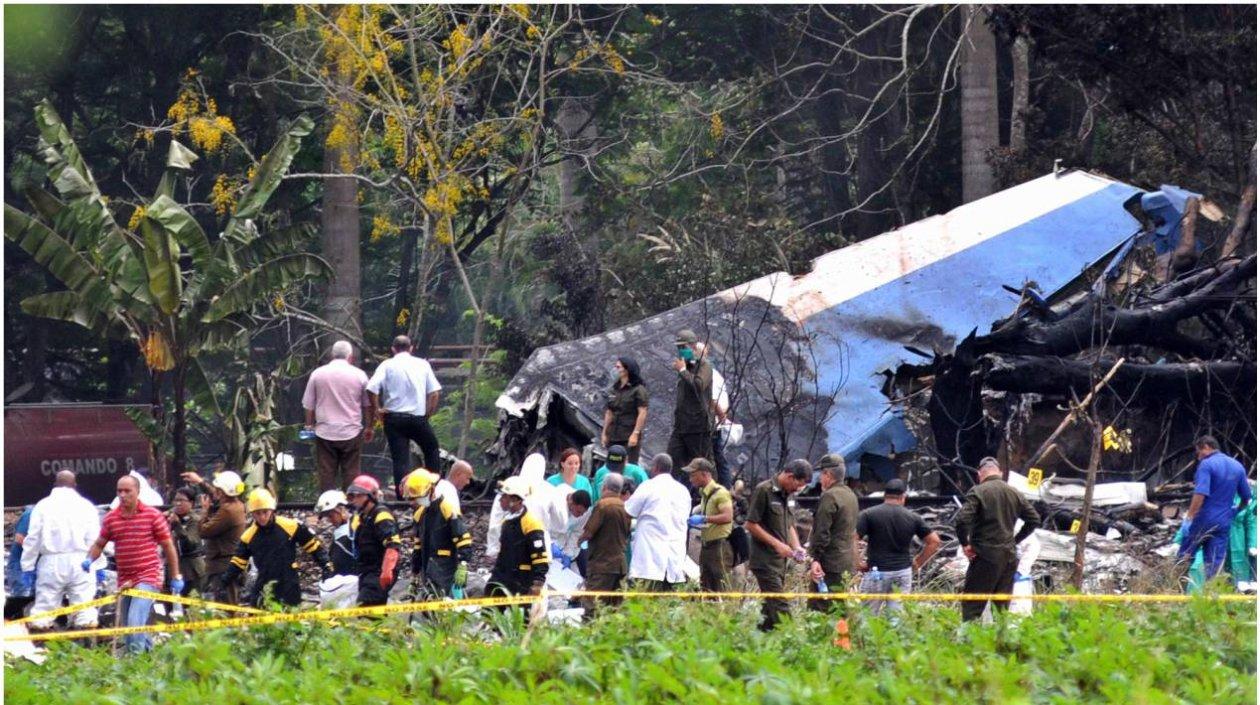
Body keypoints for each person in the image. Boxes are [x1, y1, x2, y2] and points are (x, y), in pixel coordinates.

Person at [83, 475, 182, 653]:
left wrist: (175, 576)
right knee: (129, 629)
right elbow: (99, 544)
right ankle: (149, 659)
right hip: (125, 579)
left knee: (135, 622)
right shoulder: (111, 518)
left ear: (137, 491)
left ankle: (136, 661)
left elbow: (168, 546)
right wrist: (89, 559)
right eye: (119, 491)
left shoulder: (152, 515)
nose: (122, 495)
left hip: (148, 576)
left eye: (127, 491)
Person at [954, 457, 1041, 622]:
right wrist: (1015, 540)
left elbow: (961, 520)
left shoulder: (978, 491)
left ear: (979, 474)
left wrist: (965, 544)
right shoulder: (1014, 492)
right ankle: (1001, 637)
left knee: (972, 607)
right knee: (1001, 610)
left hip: (984, 557)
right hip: (1008, 558)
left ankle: (968, 637)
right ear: (1000, 473)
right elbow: (1034, 519)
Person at [219, 489, 331, 607]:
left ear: (272, 510)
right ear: (252, 513)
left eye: (265, 512)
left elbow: (313, 546)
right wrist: (224, 581)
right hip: (265, 585)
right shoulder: (249, 536)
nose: (262, 517)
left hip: (289, 584)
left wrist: (326, 565)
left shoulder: (290, 526)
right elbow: (238, 562)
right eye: (257, 513)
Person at [20, 471, 102, 631]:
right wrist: (97, 564)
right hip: (81, 562)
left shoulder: (43, 506)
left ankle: (42, 642)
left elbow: (33, 538)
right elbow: (95, 539)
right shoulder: (86, 506)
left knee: (43, 611)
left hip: (50, 563)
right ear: (75, 485)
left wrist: (27, 566)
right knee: (85, 609)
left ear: (55, 484)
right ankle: (86, 642)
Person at [367, 335, 443, 495]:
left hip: (394, 419)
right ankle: (432, 489)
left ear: (393, 349)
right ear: (411, 348)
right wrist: (427, 414)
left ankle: (403, 495)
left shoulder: (387, 365)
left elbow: (372, 388)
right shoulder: (422, 364)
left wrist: (377, 410)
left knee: (400, 459)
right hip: (417, 418)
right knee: (431, 449)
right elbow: (435, 393)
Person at [855, 478, 942, 616]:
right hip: (902, 573)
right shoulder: (913, 517)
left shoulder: (868, 514)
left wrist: (858, 563)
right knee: (896, 619)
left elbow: (852, 538)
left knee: (867, 617)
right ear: (903, 497)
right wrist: (918, 563)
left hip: (877, 572)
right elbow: (934, 541)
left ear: (885, 495)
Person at [746, 459, 811, 631]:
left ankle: (759, 639)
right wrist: (777, 544)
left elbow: (789, 524)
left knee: (769, 610)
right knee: (780, 606)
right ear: (790, 476)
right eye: (798, 485)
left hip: (780, 563)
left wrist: (797, 546)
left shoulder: (788, 495)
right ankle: (792, 639)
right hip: (764, 561)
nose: (797, 490)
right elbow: (751, 524)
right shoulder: (764, 490)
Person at [302, 340, 373, 491]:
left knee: (326, 472)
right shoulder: (359, 375)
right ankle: (351, 501)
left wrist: (309, 426)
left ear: (332, 355)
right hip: (351, 431)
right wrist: (369, 427)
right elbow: (367, 405)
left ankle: (327, 502)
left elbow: (309, 405)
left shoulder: (318, 374)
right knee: (351, 472)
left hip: (324, 431)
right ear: (350, 357)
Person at [1179, 436, 1253, 579]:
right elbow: (1246, 497)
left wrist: (1189, 517)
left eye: (1199, 452)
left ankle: (1175, 589)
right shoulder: (1237, 466)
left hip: (1202, 520)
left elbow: (1200, 493)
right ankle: (1212, 591)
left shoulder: (1206, 465)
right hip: (1223, 522)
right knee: (1214, 565)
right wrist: (1235, 511)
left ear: (1206, 446)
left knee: (1184, 558)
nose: (1199, 457)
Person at [400, 469, 473, 598]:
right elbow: (418, 548)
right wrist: (415, 576)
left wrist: (463, 565)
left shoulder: (447, 508)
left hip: (446, 570)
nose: (414, 501)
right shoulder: (419, 515)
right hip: (427, 570)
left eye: (417, 497)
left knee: (447, 603)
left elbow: (463, 540)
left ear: (431, 490)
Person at [624, 454, 691, 590]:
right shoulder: (683, 491)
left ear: (655, 468)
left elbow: (627, 512)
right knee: (667, 601)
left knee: (642, 600)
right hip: (674, 561)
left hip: (649, 560)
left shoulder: (648, 487)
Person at [180, 469, 247, 604]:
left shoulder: (228, 511)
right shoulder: (237, 505)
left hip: (223, 566)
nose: (215, 491)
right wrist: (200, 481)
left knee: (226, 607)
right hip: (227, 564)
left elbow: (203, 532)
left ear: (222, 492)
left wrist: (205, 511)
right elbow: (216, 495)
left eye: (218, 489)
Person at [808, 454, 859, 610]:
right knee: (840, 609)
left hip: (829, 563)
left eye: (821, 475)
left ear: (828, 475)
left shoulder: (829, 496)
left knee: (819, 609)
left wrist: (815, 558)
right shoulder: (850, 495)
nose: (820, 479)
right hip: (846, 562)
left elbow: (822, 532)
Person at [579, 473, 632, 619]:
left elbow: (589, 533)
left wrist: (578, 541)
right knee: (615, 608)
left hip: (602, 565)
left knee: (593, 606)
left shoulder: (602, 505)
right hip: (620, 565)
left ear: (604, 487)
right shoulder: (626, 507)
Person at [346, 474, 403, 606]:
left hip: (378, 572)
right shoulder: (363, 517)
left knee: (367, 607)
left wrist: (387, 570)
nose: (354, 499)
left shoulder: (381, 515)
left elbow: (393, 544)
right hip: (367, 572)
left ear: (371, 496)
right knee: (372, 611)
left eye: (358, 495)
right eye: (352, 496)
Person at [487, 476, 549, 597]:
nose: (500, 500)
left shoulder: (531, 524)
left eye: (504, 496)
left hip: (521, 581)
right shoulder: (506, 521)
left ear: (515, 500)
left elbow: (539, 556)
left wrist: (538, 582)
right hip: (502, 577)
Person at [668, 329, 714, 473]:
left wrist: (683, 371)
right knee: (671, 460)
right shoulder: (686, 366)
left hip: (698, 425)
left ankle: (710, 486)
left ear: (693, 346)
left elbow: (699, 385)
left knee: (702, 464)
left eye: (684, 347)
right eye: (679, 347)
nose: (681, 350)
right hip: (681, 425)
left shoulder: (704, 365)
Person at [686, 458, 735, 592]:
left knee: (720, 585)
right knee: (706, 585)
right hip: (707, 545)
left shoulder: (720, 493)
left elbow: (727, 516)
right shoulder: (704, 494)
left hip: (719, 546)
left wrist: (704, 519)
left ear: (705, 474)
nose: (690, 479)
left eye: (693, 475)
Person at [696, 342, 733, 488]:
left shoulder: (706, 374)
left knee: (713, 458)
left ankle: (723, 487)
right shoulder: (713, 373)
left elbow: (712, 399)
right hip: (711, 422)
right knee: (714, 457)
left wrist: (722, 418)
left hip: (709, 423)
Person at [314, 490, 359, 608]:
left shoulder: (347, 535)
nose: (330, 520)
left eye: (331, 516)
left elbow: (340, 564)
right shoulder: (344, 531)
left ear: (340, 509)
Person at [602, 356, 649, 464]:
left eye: (619, 367)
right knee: (612, 464)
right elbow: (609, 412)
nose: (616, 370)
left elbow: (642, 412)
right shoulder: (614, 389)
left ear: (627, 369)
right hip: (613, 435)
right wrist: (604, 433)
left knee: (628, 466)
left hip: (628, 436)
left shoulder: (638, 390)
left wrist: (635, 434)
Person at [166, 487, 205, 596]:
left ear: (191, 503)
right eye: (176, 500)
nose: (178, 503)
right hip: (173, 567)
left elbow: (190, 542)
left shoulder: (195, 520)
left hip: (191, 570)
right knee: (170, 602)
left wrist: (177, 525)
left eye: (181, 500)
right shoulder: (171, 516)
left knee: (192, 601)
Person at [4, 505, 36, 620]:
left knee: (33, 598)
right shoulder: (31, 514)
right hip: (21, 565)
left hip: (33, 564)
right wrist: (39, 550)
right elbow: (19, 538)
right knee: (21, 597)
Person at [553, 490, 593, 576]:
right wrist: (549, 544)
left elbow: (577, 532)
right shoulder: (555, 503)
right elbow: (543, 526)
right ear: (571, 503)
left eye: (583, 513)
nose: (581, 515)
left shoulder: (585, 512)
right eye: (579, 512)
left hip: (562, 546)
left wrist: (568, 553)